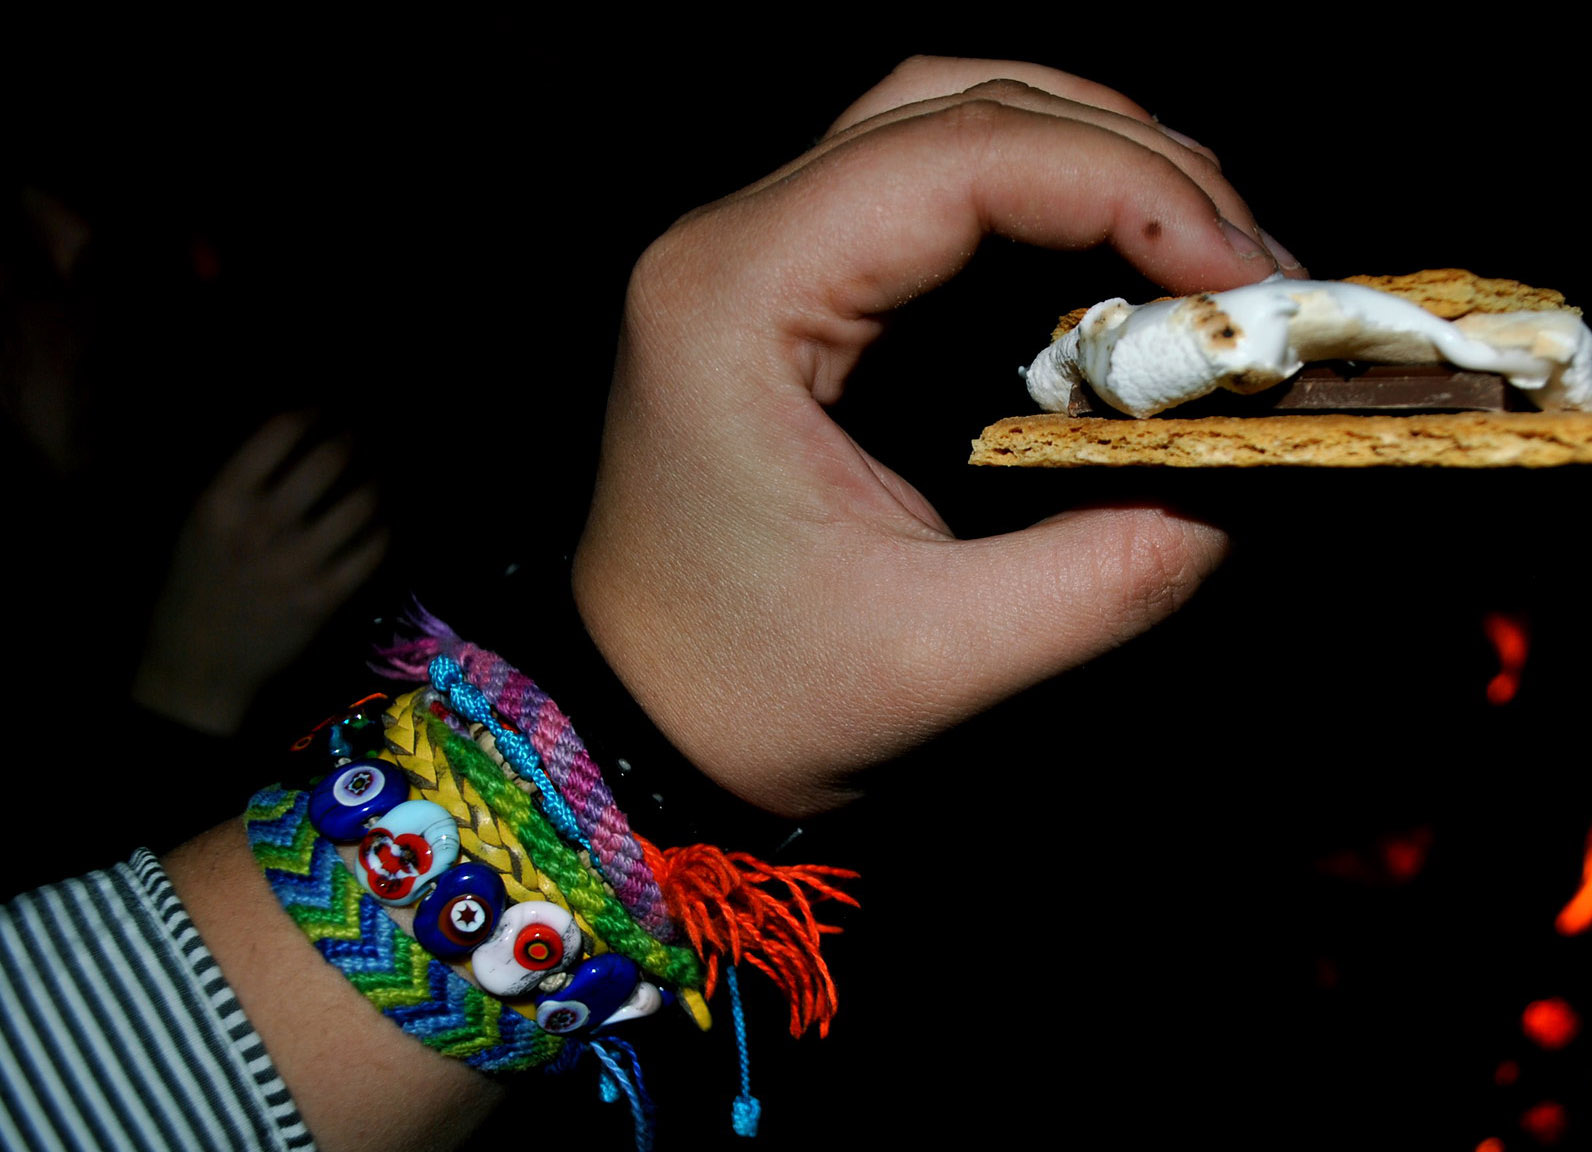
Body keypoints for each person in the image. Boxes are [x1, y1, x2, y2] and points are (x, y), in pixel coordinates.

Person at [3, 57, 1302, 1151]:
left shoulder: (249, 420)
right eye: (18, 256)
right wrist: (178, 700)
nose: (86, 267)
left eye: (93, 236)